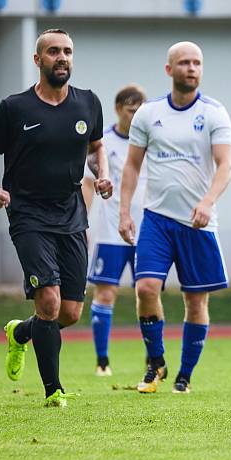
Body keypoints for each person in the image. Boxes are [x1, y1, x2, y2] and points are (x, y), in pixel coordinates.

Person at [0, 29, 112, 407]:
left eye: (67, 51)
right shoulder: (15, 108)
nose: (62, 57)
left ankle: (20, 333)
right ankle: (54, 391)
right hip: (28, 215)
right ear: (38, 60)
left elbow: (97, 146)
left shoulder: (88, 103)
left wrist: (101, 174)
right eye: (53, 52)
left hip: (71, 214)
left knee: (68, 312)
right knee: (48, 302)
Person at [118, 41, 231, 395]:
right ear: (169, 69)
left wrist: (207, 202)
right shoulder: (148, 114)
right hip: (156, 219)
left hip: (197, 222)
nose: (191, 68)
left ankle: (184, 375)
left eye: (197, 62)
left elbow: (225, 165)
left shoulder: (215, 112)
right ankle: (155, 363)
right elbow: (132, 166)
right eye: (184, 62)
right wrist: (125, 212)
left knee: (196, 300)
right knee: (146, 288)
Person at [81, 84, 147, 376]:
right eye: (132, 110)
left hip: (147, 231)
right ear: (119, 108)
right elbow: (87, 183)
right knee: (106, 293)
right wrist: (81, 222)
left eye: (140, 110)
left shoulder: (151, 140)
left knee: (147, 293)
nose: (136, 116)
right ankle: (102, 361)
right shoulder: (102, 143)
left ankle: (153, 358)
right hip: (110, 231)